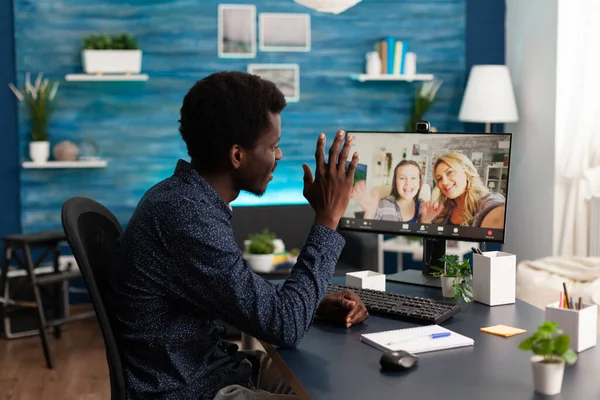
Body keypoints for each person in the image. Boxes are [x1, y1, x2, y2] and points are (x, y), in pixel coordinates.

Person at [106, 71, 370, 400]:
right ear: (237, 156)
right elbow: (284, 325)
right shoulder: (186, 216)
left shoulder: (182, 199)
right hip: (193, 390)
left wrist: (312, 303)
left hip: (214, 369)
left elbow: (245, 295)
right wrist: (329, 218)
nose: (279, 156)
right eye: (272, 146)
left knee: (346, 383)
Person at [420, 152, 505, 228]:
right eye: (439, 178)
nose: (444, 182)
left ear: (466, 173)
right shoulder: (444, 210)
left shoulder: (485, 202)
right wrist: (427, 222)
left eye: (450, 172)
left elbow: (497, 209)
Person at [352, 160, 422, 222]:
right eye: (402, 178)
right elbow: (367, 234)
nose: (408, 183)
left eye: (413, 178)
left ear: (419, 183)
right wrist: (369, 212)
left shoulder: (424, 208)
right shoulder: (382, 205)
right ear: (395, 183)